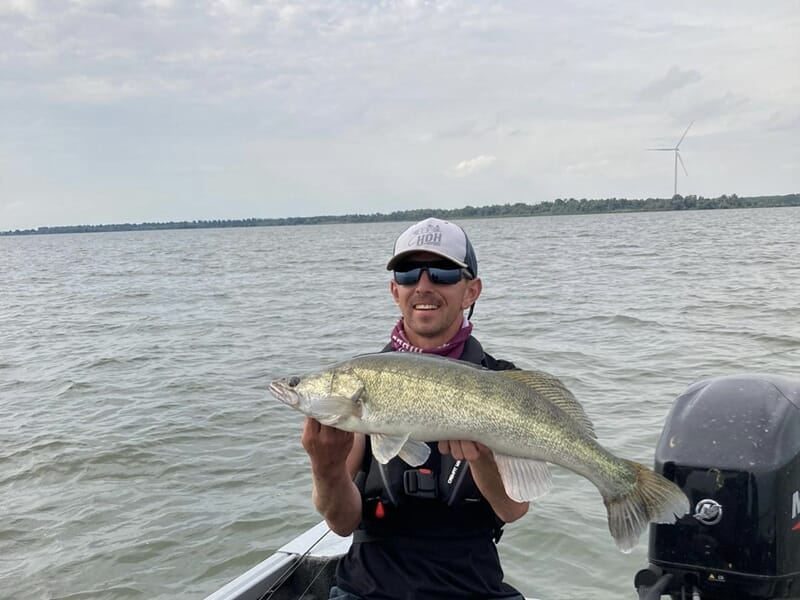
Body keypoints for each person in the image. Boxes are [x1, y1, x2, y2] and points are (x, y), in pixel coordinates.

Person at [301, 217, 529, 600]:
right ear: (395, 290)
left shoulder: (504, 382)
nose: (423, 285)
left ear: (471, 291)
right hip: (367, 591)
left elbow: (512, 509)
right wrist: (325, 470)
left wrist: (483, 460)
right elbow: (341, 524)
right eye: (408, 273)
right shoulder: (362, 380)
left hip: (474, 589)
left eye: (442, 272)